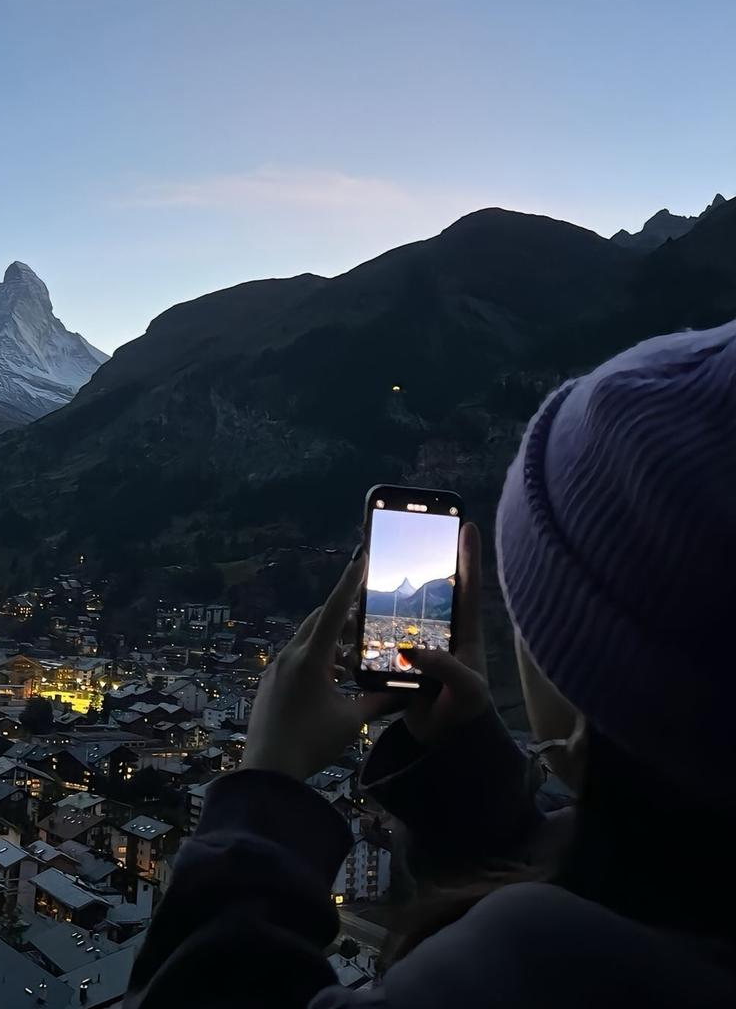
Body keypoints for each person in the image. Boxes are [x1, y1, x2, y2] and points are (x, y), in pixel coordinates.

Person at [125, 322, 736, 1007]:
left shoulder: (520, 973)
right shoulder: (688, 898)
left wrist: (265, 784)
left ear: (585, 667)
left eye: (534, 609)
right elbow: (597, 871)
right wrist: (461, 752)